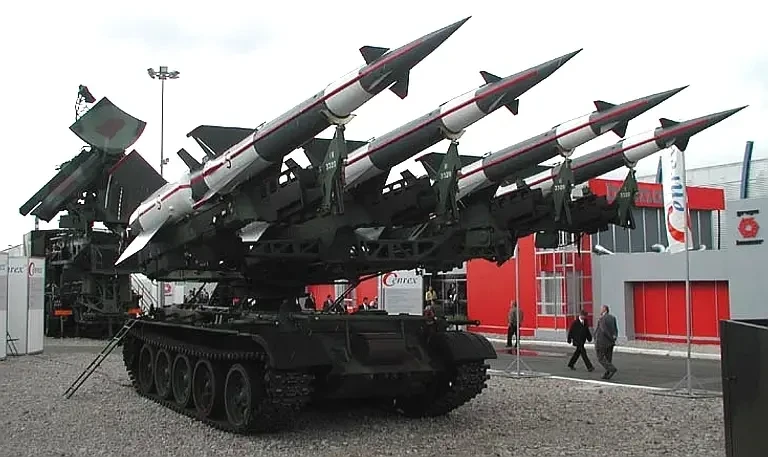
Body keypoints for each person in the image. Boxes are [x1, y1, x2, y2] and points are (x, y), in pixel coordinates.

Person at [594, 305, 619, 379]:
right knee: (608, 358)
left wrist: (595, 337)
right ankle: (607, 373)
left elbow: (603, 330)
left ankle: (612, 369)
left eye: (601, 309)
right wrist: (614, 338)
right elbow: (615, 329)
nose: (600, 310)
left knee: (600, 357)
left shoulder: (602, 319)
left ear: (605, 309)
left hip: (602, 342)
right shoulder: (613, 318)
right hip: (610, 343)